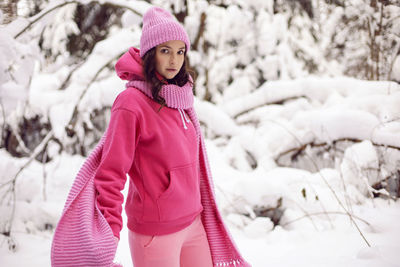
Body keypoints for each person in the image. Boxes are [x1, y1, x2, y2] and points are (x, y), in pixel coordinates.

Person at [51, 6, 251, 267]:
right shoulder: (131, 103)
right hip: (155, 233)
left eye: (180, 52)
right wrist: (109, 231)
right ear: (150, 53)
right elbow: (111, 172)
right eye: (165, 51)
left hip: (194, 224)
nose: (174, 61)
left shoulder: (181, 99)